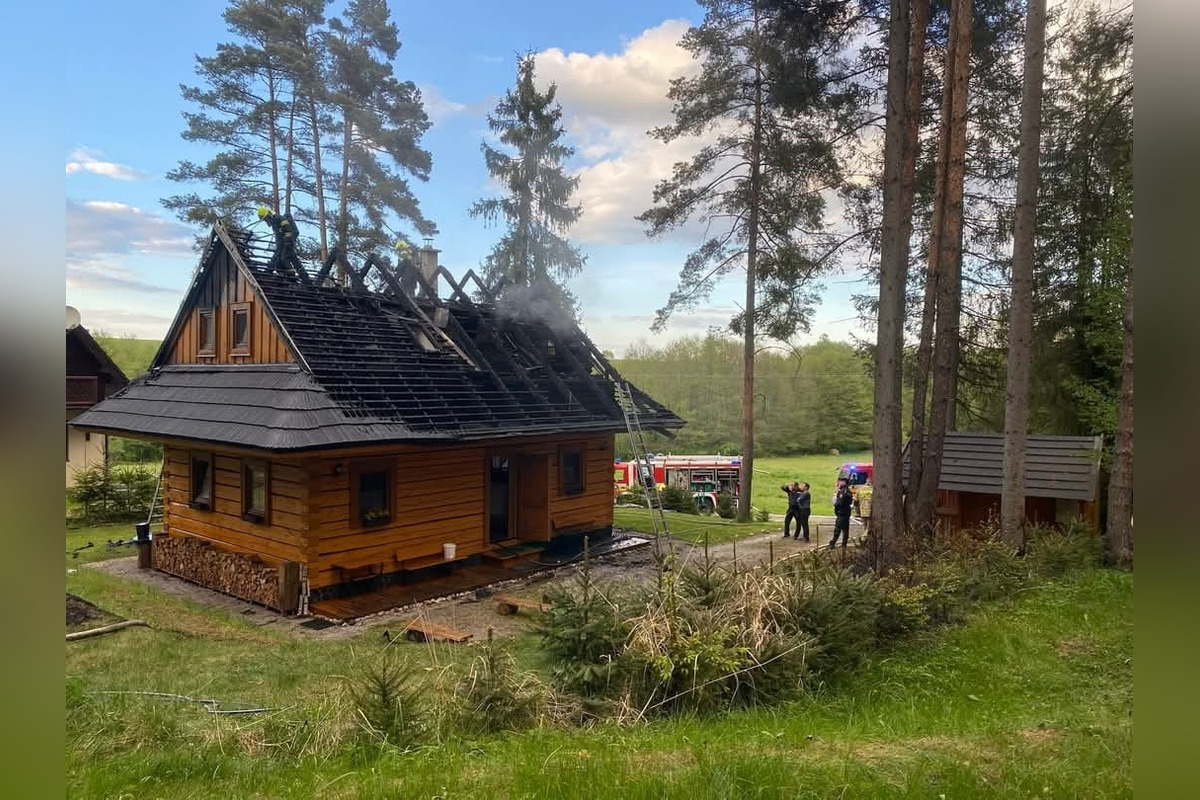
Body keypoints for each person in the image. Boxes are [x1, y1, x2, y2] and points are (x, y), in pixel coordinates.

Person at [828, 479, 854, 550]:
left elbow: (840, 502)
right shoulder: (845, 491)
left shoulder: (843, 491)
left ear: (844, 482)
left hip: (842, 512)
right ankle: (844, 543)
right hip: (845, 512)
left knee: (838, 528)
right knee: (845, 529)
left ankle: (833, 543)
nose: (838, 483)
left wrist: (835, 503)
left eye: (840, 481)